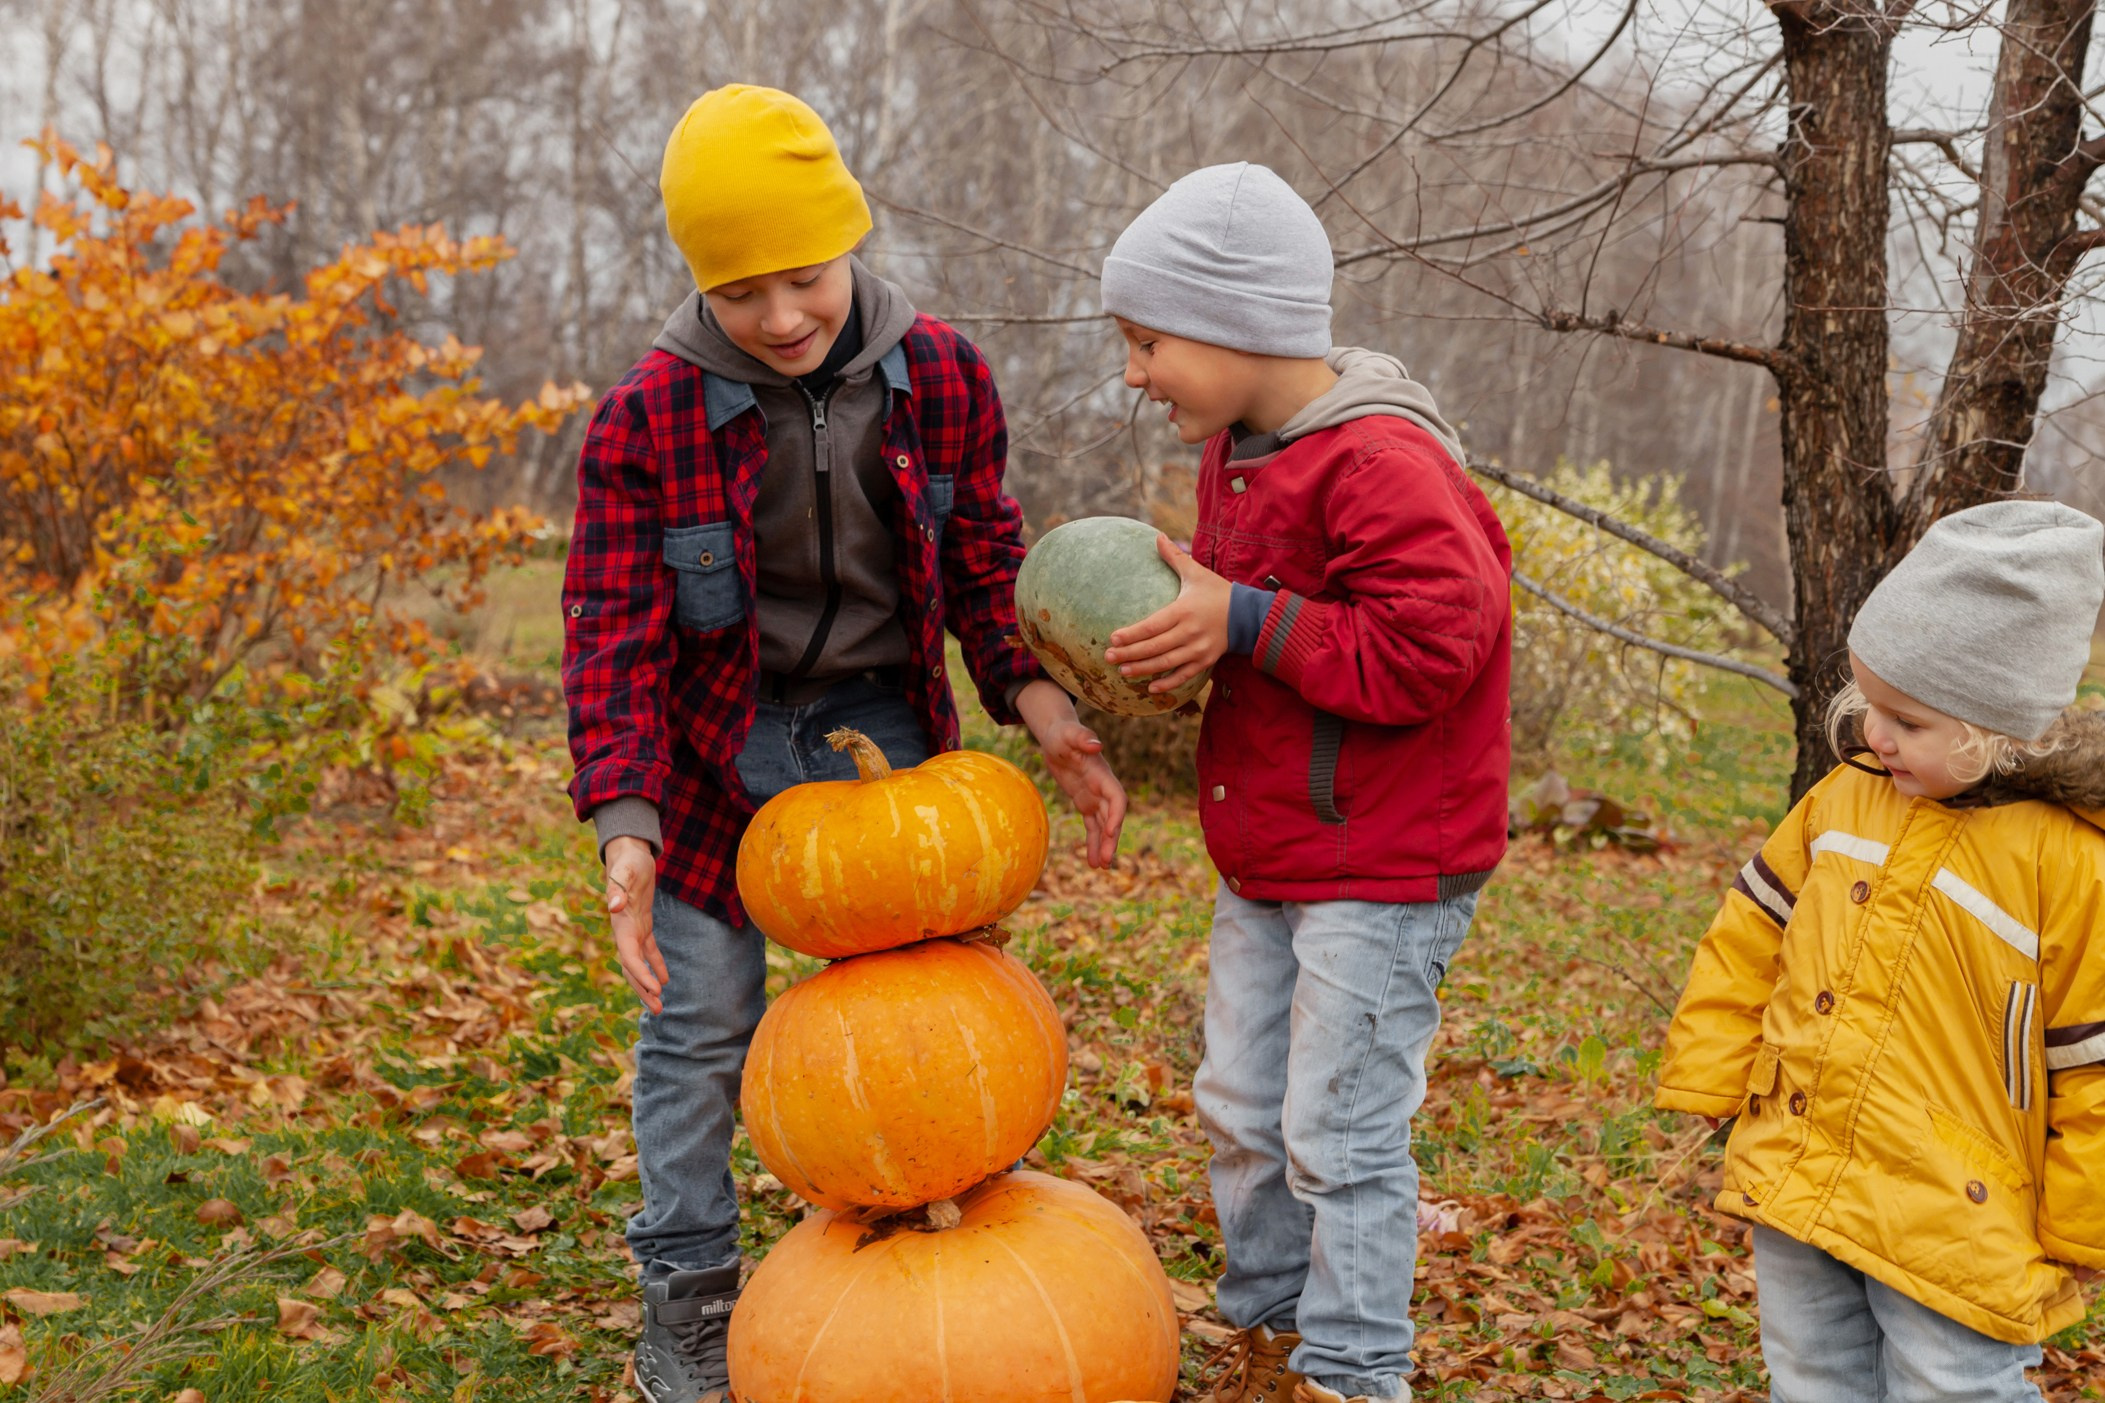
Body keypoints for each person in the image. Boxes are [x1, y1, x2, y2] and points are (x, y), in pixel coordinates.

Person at [560, 85, 1126, 1403]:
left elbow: (986, 561)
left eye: (803, 276)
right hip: (714, 748)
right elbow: (610, 634)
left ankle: (947, 1262)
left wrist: (1035, 701)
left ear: (850, 238)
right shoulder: (646, 417)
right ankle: (691, 1289)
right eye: (741, 289)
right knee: (699, 1022)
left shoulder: (942, 376)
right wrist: (624, 823)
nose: (779, 316)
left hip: (885, 730)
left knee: (927, 1021)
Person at [1098, 163, 1514, 1403]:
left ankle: (1349, 1369)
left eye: (1147, 341)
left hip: (1383, 861)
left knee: (1337, 1126)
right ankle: (1268, 1329)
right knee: (1237, 1101)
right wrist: (1196, 646)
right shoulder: (1238, 451)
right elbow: (1266, 631)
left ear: (1237, 327)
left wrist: (1246, 620)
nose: (1133, 373)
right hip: (1275, 845)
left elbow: (1428, 650)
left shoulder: (1382, 462)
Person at [1655, 500, 2105, 1402]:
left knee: (1952, 1387)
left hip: (1957, 1213)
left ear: (1993, 725)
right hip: (1799, 1155)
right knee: (1811, 1373)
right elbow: (1750, 935)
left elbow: (2091, 1063)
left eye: (1906, 719)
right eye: (1867, 702)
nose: (1873, 734)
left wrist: (2084, 1225)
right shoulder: (1843, 801)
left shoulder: (2068, 862)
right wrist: (1713, 1074)